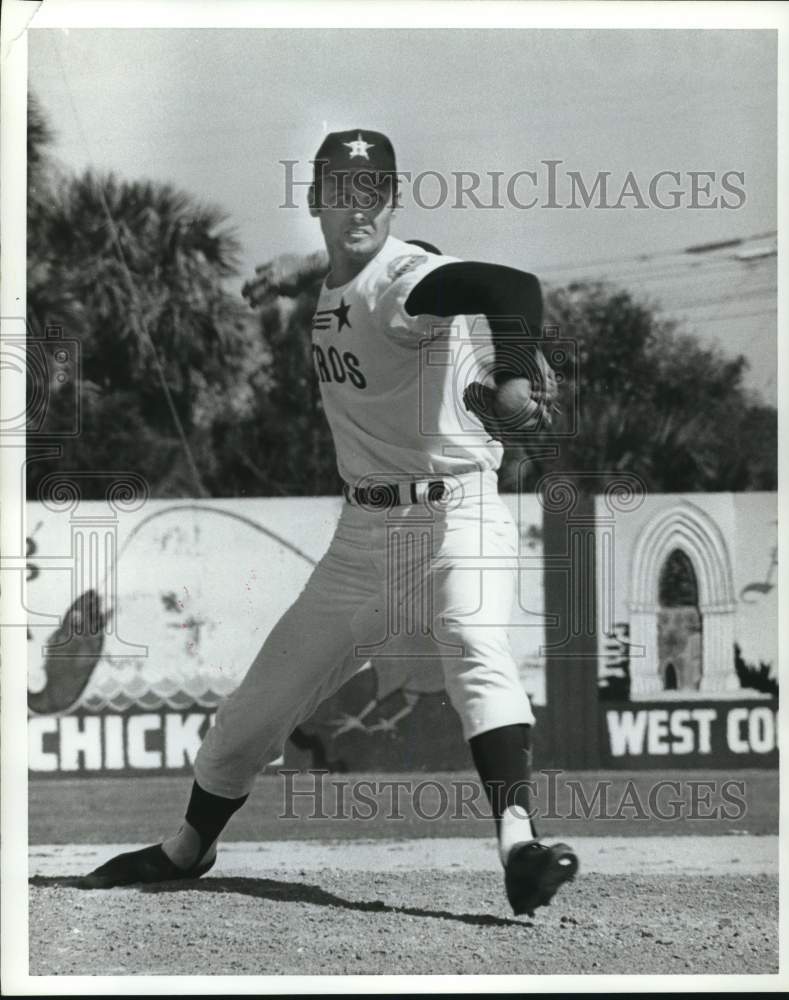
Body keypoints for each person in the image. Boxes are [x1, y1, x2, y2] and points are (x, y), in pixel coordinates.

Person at [84, 129, 578, 916]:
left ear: (391, 200)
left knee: (476, 650)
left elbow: (510, 286)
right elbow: (351, 274)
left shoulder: (405, 281)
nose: (359, 205)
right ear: (316, 200)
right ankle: (188, 848)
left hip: (456, 517)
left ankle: (517, 844)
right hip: (362, 540)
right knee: (253, 710)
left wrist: (515, 373)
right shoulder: (340, 280)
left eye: (374, 191)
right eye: (342, 191)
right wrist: (297, 273)